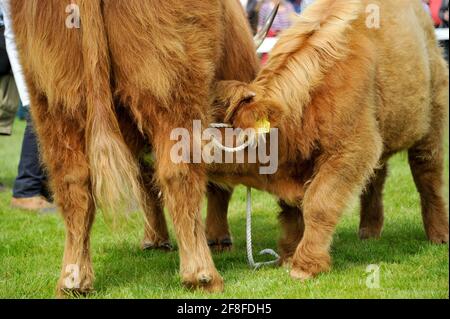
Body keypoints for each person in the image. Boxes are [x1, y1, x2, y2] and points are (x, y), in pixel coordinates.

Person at [0, 0, 55, 212]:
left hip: (38, 52)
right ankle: (26, 191)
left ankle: (43, 185)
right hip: (33, 56)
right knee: (39, 112)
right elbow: (14, 35)